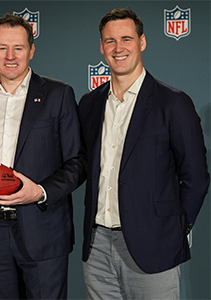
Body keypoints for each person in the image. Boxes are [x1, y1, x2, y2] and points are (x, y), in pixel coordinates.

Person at [78, 8, 209, 299]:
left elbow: (196, 177)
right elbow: (83, 163)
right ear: (101, 47)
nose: (118, 48)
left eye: (126, 38)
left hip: (155, 244)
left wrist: (173, 228)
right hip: (97, 246)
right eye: (109, 41)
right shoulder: (89, 104)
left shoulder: (173, 103)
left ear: (142, 42)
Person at [0, 13, 86, 299]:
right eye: (2, 47)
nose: (10, 56)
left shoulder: (58, 94)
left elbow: (78, 162)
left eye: (18, 48)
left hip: (44, 229)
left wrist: (40, 191)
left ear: (31, 50)